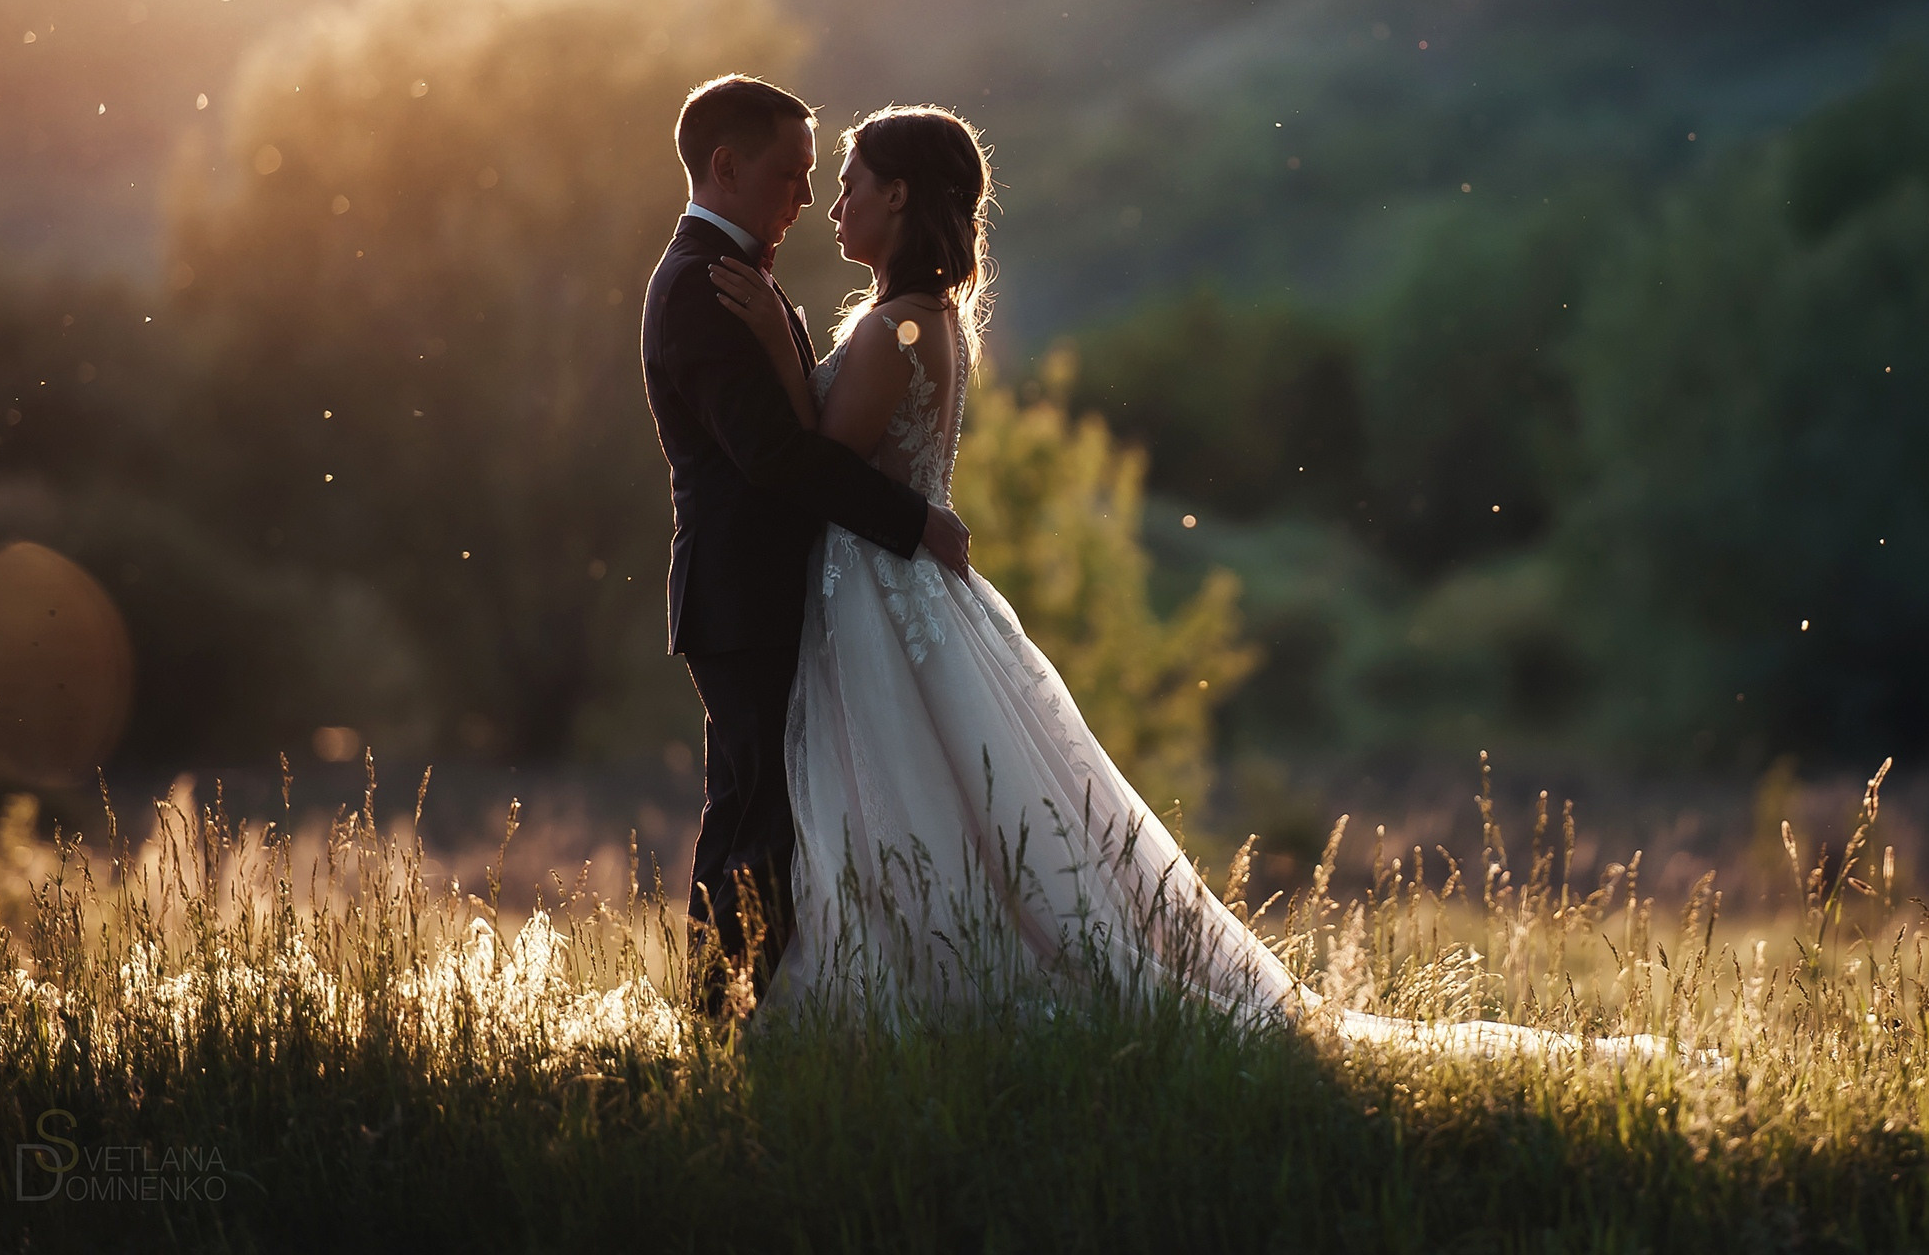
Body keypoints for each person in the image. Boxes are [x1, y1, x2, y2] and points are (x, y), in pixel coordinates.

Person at [709, 101, 1663, 1056]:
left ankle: (927, 992)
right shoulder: (927, 322)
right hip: (900, 590)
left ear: (900, 194)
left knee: (905, 795)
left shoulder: (894, 333)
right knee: (952, 802)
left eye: (850, 183)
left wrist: (774, 338)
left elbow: (814, 467)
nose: (832, 203)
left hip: (879, 595)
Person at [640, 75, 972, 1020]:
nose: (807, 198)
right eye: (791, 176)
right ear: (727, 166)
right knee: (760, 820)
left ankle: (726, 1019)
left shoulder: (752, 278)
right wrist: (914, 523)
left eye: (823, 178)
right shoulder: (705, 286)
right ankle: (720, 1020)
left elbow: (798, 439)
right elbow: (779, 457)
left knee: (762, 813)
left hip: (780, 593)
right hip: (744, 596)